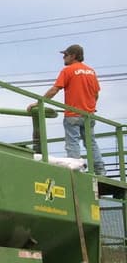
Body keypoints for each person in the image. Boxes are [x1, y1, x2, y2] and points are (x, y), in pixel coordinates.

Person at [41, 43, 105, 175]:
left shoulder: (68, 70)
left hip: (73, 114)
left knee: (72, 142)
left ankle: (77, 170)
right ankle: (100, 170)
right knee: (91, 142)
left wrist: (39, 102)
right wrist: (91, 108)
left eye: (65, 55)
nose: (63, 58)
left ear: (73, 56)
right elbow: (96, 94)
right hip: (88, 115)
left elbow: (55, 89)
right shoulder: (91, 72)